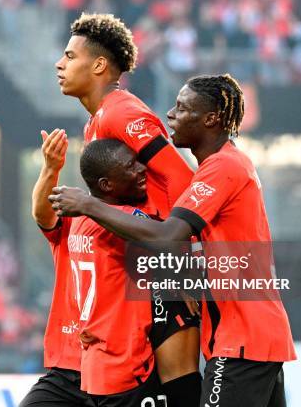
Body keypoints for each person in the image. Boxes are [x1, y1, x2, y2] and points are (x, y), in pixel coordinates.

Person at [48, 73, 297, 406]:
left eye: (182, 108)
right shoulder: (225, 164)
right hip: (250, 334)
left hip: (242, 338)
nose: (170, 115)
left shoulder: (223, 167)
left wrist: (88, 205)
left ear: (210, 119)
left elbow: (168, 235)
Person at [55, 13, 201, 405]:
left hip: (162, 263)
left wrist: (183, 266)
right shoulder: (95, 124)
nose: (60, 64)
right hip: (136, 266)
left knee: (181, 390)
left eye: (70, 56)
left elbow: (183, 180)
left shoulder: (122, 112)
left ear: (99, 65)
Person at [69, 138, 199, 405]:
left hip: (97, 366)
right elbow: (166, 238)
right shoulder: (119, 222)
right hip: (124, 363)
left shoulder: (78, 222)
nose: (142, 169)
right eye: (130, 166)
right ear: (106, 185)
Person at [20, 129, 91, 406]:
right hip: (69, 367)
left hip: (118, 371)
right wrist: (50, 168)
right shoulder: (75, 219)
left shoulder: (139, 225)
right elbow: (42, 214)